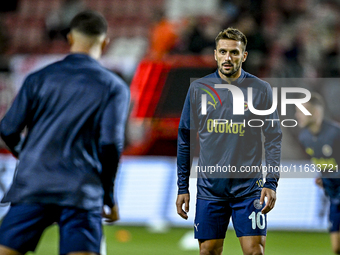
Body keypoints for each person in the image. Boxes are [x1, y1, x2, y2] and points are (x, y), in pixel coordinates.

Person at [0, 10, 130, 255]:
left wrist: (25, 154)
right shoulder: (114, 86)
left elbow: (7, 128)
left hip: (33, 184)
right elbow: (110, 144)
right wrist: (109, 196)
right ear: (104, 42)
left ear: (70, 38)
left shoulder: (38, 78)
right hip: (80, 189)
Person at [176, 27, 282, 255]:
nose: (227, 57)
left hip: (249, 189)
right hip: (210, 189)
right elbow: (185, 138)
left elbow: (273, 137)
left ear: (243, 56)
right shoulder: (198, 89)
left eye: (234, 53)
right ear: (215, 54)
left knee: (255, 252)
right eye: (223, 52)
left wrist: (271, 183)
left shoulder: (260, 89)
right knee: (208, 252)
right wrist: (182, 186)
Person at [296, 93, 340, 254]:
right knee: (337, 247)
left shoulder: (335, 133)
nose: (297, 115)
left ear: (316, 112)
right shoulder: (304, 137)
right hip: (334, 195)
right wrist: (323, 177)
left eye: (302, 111)